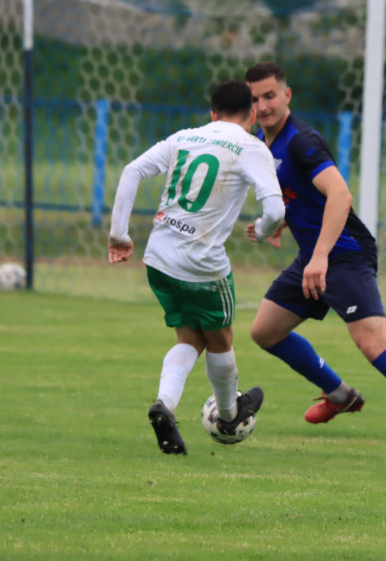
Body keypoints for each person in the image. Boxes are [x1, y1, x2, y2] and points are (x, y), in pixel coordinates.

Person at [243, 62, 386, 447]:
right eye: (255, 99)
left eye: (270, 95)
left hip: (344, 254)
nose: (262, 105)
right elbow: (302, 195)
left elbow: (340, 195)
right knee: (265, 331)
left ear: (287, 95)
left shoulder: (301, 141)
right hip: (314, 255)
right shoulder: (264, 143)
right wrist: (283, 222)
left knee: (373, 343)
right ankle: (340, 395)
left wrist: (321, 256)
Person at [108, 80, 285, 455]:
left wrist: (119, 235)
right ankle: (228, 415)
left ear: (212, 113)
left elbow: (131, 171)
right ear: (252, 113)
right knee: (221, 341)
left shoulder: (184, 137)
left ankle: (164, 405)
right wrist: (265, 230)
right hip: (202, 262)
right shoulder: (252, 148)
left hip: (159, 256)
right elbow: (275, 210)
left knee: (189, 339)